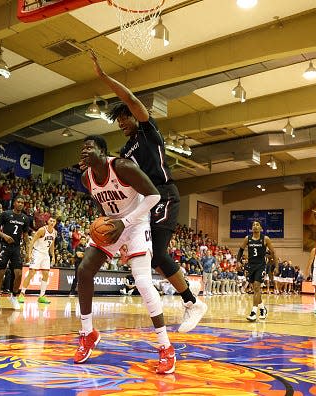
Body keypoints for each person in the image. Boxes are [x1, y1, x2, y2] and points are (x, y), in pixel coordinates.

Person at [90, 51, 206, 333]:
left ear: (134, 115)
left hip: (163, 194)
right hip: (144, 201)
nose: (120, 123)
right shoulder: (125, 151)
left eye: (123, 117)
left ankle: (192, 303)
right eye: (117, 120)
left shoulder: (148, 132)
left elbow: (131, 98)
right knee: (151, 255)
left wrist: (104, 77)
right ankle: (186, 301)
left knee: (158, 254)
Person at [74, 135, 175, 374]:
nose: (84, 152)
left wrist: (125, 223)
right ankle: (88, 334)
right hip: (113, 225)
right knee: (84, 271)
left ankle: (166, 347)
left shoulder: (122, 166)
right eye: (82, 149)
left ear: (102, 151)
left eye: (89, 148)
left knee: (142, 282)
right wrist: (107, 227)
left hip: (137, 224)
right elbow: (101, 202)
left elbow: (154, 196)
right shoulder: (85, 177)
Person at [0, 196, 30, 311]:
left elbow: (26, 235)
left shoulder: (25, 218)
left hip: (16, 248)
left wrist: (28, 251)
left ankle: (13, 296)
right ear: (14, 203)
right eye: (18, 202)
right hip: (4, 246)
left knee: (18, 274)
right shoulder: (5, 214)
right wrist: (4, 236)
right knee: (0, 273)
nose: (20, 204)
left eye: (22, 202)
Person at [237, 221, 278, 322]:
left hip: (261, 266)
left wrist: (276, 266)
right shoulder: (247, 238)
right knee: (256, 290)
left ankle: (253, 312)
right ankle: (263, 309)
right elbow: (241, 250)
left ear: (261, 228)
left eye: (257, 225)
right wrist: (238, 262)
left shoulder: (265, 239)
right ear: (251, 228)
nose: (255, 226)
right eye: (253, 225)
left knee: (256, 287)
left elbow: (273, 252)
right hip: (251, 266)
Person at [21, 217, 57, 304]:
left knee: (46, 274)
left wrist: (53, 256)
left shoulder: (55, 232)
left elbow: (52, 244)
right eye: (51, 221)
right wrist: (29, 254)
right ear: (47, 221)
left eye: (54, 221)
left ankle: (42, 296)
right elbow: (32, 241)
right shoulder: (42, 230)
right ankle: (22, 293)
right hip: (37, 252)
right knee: (32, 273)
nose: (52, 222)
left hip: (45, 254)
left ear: (55, 223)